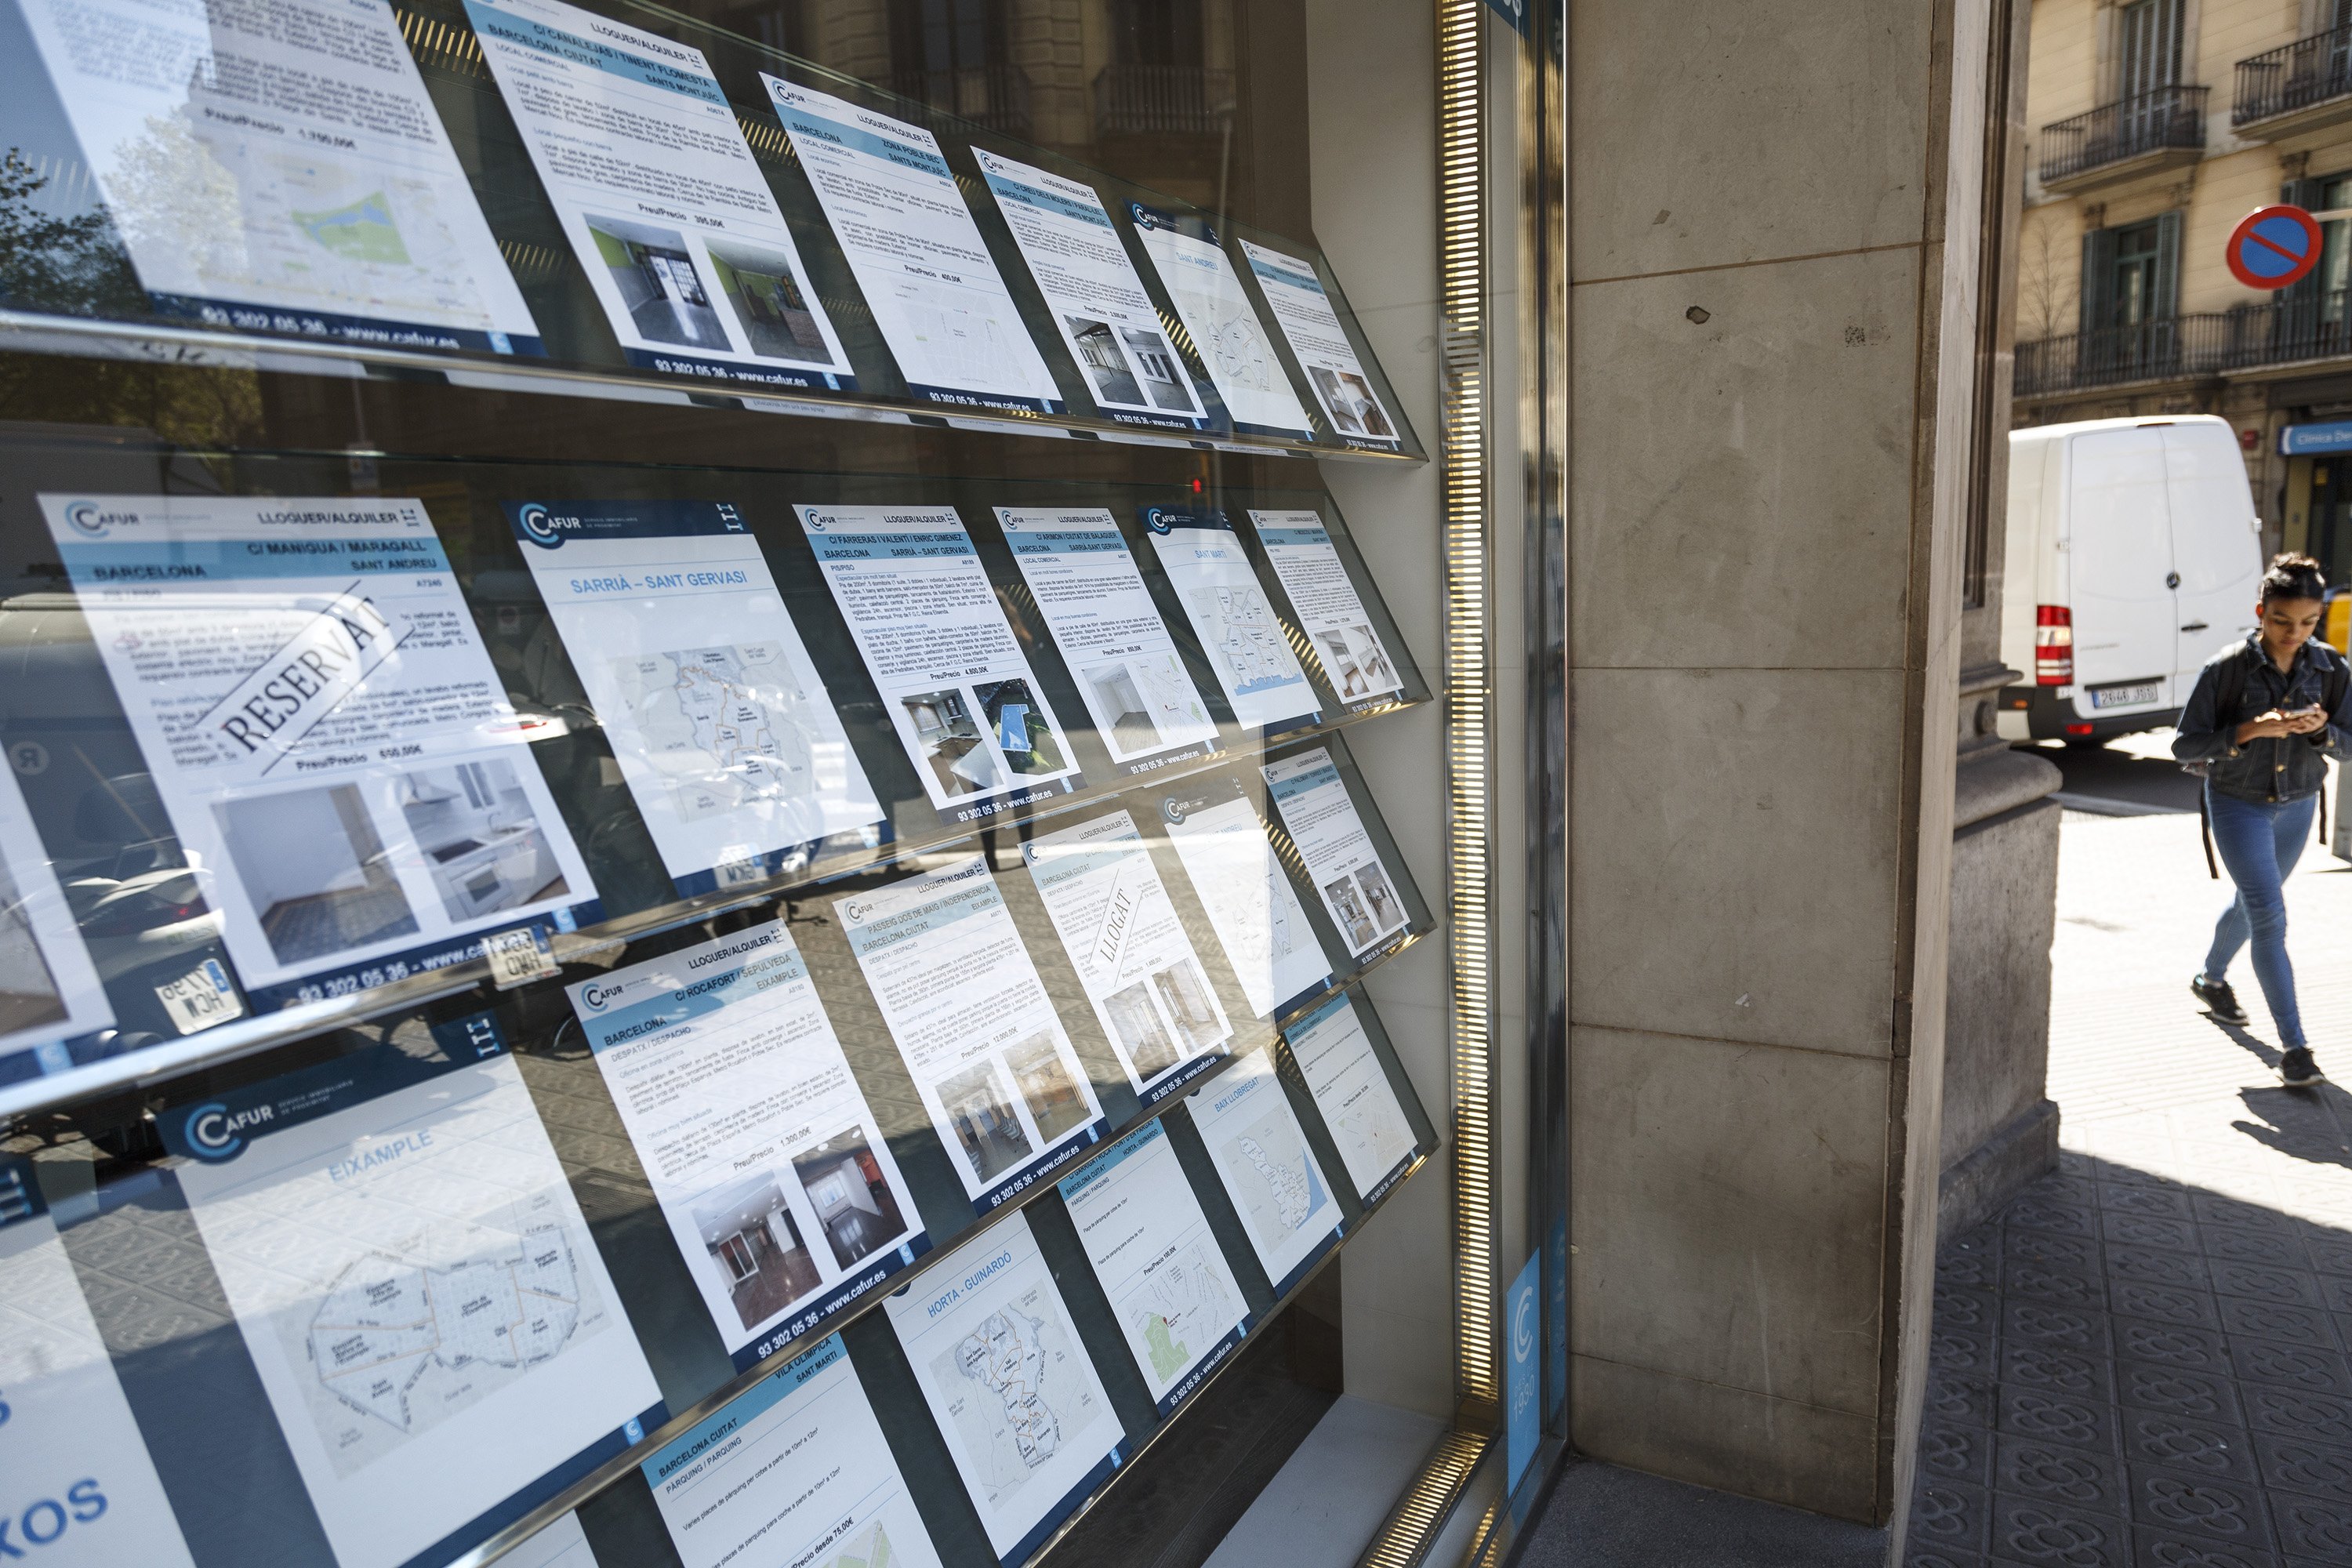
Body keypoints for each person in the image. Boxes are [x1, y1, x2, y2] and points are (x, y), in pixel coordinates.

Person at [2175, 552, 2352, 1086]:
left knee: (2253, 906)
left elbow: (2348, 746)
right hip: (2237, 804)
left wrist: (2322, 732)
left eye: (2308, 622)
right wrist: (2249, 731)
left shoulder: (2332, 668)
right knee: (2271, 916)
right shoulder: (2226, 668)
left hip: (2298, 806)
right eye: (2281, 621)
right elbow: (2185, 746)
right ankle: (2295, 1049)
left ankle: (2210, 978)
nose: (2294, 633)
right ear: (2260, 611)